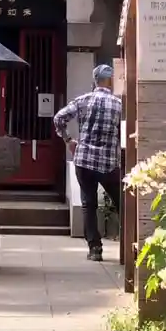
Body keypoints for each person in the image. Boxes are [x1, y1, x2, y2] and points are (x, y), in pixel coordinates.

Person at [53, 64, 124, 261]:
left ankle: (95, 249)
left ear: (95, 81)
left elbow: (59, 118)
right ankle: (129, 244)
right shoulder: (119, 104)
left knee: (89, 204)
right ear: (110, 81)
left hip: (84, 160)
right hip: (109, 162)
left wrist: (68, 140)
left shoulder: (83, 100)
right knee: (123, 203)